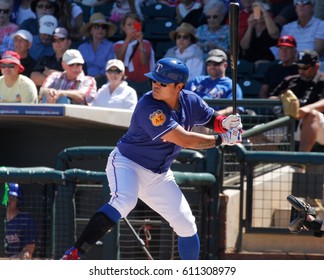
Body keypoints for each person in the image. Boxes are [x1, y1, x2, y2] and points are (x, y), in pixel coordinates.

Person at [60, 57, 243, 260]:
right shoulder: (148, 105)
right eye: (153, 80)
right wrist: (222, 139)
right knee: (124, 201)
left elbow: (210, 118)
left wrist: (225, 122)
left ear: (178, 86)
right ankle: (74, 253)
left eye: (162, 82)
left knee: (186, 224)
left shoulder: (190, 100)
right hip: (128, 163)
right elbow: (185, 140)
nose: (156, 85)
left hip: (159, 174)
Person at [269, 49, 324, 152]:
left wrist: (306, 109)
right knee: (255, 134)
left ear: (316, 66)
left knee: (312, 115)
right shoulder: (290, 80)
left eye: (305, 67)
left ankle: (300, 163)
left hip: (319, 126)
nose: (301, 70)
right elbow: (271, 99)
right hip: (291, 124)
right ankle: (279, 162)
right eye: (298, 66)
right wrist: (281, 99)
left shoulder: (322, 80)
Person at [186, 48, 243, 116]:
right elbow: (183, 99)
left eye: (216, 63)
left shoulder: (231, 85)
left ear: (225, 65)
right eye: (209, 63)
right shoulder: (196, 80)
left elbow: (235, 108)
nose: (212, 66)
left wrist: (213, 116)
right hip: (192, 119)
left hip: (216, 122)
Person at [114, 12, 155, 83]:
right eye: (129, 25)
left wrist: (140, 42)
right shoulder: (118, 44)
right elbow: (119, 60)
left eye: (135, 24)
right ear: (123, 28)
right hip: (125, 82)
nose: (133, 27)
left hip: (143, 83)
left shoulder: (146, 43)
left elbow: (144, 62)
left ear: (140, 26)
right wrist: (128, 39)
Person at [78, 12, 116, 88]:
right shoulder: (82, 48)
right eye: (96, 26)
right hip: (82, 81)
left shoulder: (111, 46)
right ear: (91, 30)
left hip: (103, 83)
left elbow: (108, 67)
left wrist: (92, 80)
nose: (100, 29)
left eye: (103, 27)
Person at [240, 0, 280, 66]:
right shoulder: (251, 28)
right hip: (249, 63)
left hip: (267, 63)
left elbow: (274, 34)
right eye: (257, 11)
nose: (260, 14)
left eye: (262, 12)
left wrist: (264, 12)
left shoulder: (274, 26)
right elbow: (244, 46)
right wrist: (250, 26)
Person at [4, 183, 38, 259]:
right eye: (7, 196)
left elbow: (28, 253)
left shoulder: (26, 221)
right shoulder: (3, 220)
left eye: (12, 197)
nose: (9, 200)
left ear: (18, 201)